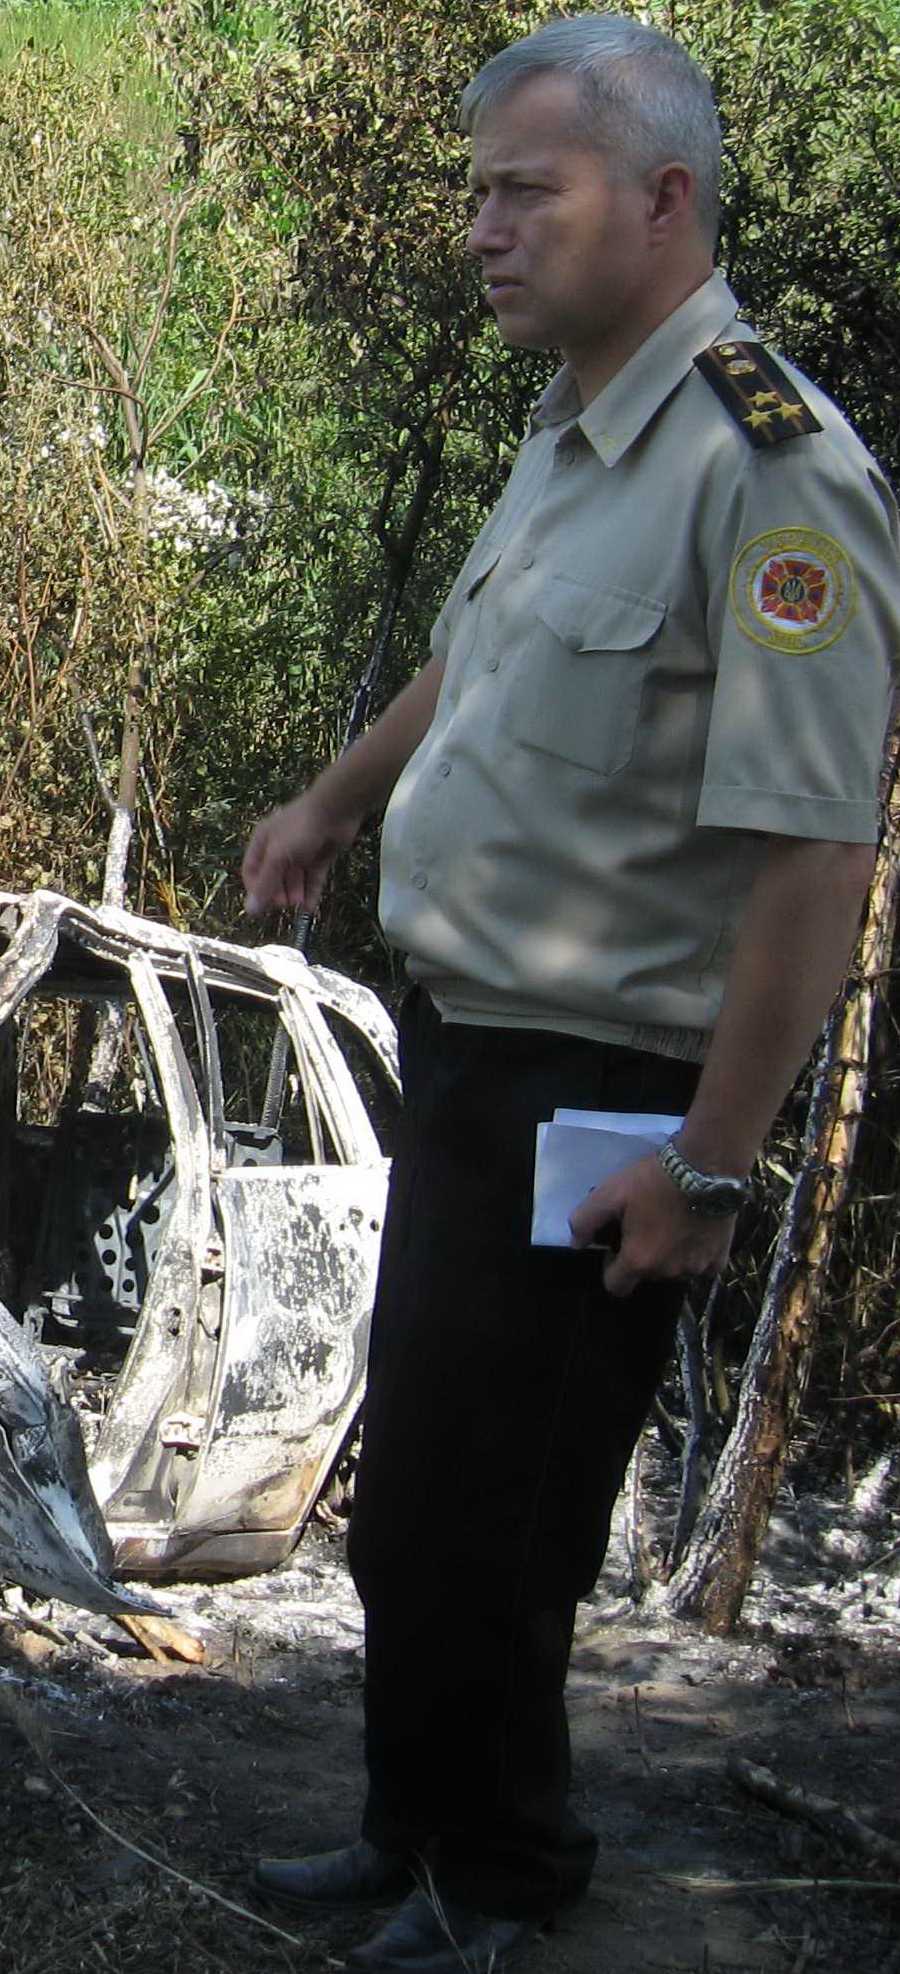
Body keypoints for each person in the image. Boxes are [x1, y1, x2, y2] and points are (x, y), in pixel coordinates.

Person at [241, 16, 898, 1973]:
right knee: (414, 1501)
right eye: (477, 193)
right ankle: (411, 1825)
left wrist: (713, 1161)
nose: (482, 230)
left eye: (525, 192)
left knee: (504, 1514)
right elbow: (487, 658)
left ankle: (506, 1874)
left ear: (664, 198)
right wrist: (334, 802)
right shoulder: (580, 418)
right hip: (468, 1047)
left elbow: (816, 858)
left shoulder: (774, 467)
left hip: (604, 1087)